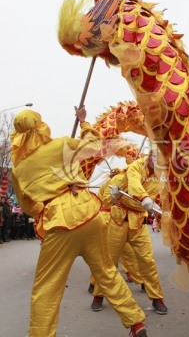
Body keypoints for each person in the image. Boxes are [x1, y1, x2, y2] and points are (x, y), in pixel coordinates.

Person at [10, 106, 147, 337]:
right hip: (89, 213)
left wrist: (43, 208)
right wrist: (83, 123)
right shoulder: (61, 144)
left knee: (47, 286)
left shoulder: (18, 170)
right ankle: (135, 322)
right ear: (41, 126)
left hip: (59, 222)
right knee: (106, 271)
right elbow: (94, 146)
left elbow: (27, 206)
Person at [91, 152, 168, 315]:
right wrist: (143, 197)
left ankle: (156, 298)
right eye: (157, 157)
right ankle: (98, 294)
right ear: (150, 155)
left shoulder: (161, 175)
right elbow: (134, 184)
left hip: (138, 221)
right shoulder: (136, 166)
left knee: (147, 260)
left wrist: (157, 205)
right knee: (109, 261)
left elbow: (159, 195)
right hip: (118, 218)